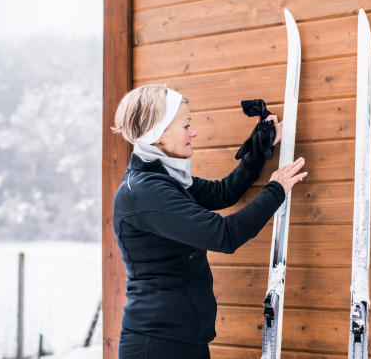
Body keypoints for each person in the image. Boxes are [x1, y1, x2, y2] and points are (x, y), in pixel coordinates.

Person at [111, 84, 307, 358]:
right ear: (158, 132)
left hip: (185, 335)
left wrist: (259, 147)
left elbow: (223, 192)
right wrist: (276, 189)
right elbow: (225, 235)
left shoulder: (163, 177)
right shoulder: (145, 192)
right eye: (186, 125)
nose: (194, 132)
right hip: (157, 343)